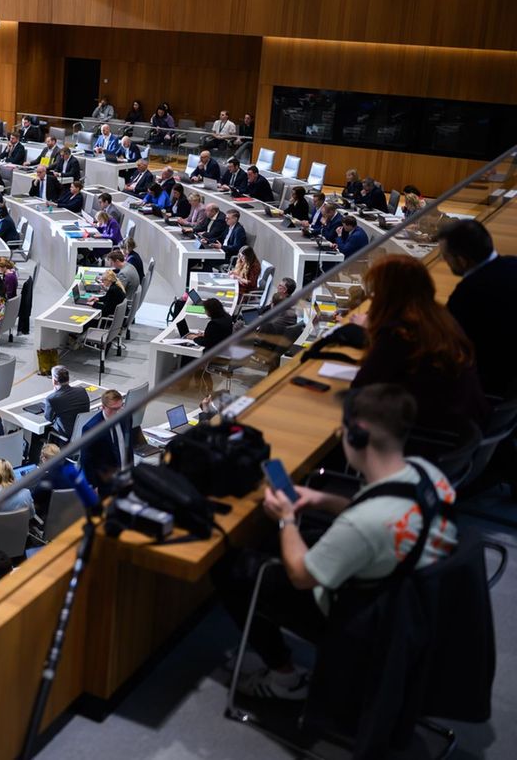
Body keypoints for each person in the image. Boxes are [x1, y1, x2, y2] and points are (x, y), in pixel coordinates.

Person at [215, 383, 458, 701]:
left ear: (356, 436)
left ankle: (284, 679)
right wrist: (322, 500)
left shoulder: (362, 524)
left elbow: (301, 576)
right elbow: (386, 512)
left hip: (363, 616)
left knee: (229, 570)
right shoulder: (426, 474)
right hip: (411, 597)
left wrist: (287, 519)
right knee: (279, 543)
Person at [349, 257, 488, 437]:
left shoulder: (398, 333)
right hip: (463, 430)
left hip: (427, 439)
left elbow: (360, 390)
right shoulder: (440, 317)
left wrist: (374, 331)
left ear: (387, 295)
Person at [437, 220, 517, 396]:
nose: (444, 261)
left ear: (461, 260)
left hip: (489, 388)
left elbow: (446, 346)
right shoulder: (514, 263)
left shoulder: (465, 295)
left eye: (445, 256)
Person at [79, 389, 130, 496]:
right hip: (105, 482)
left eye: (120, 407)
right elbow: (86, 460)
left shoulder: (126, 417)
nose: (118, 412)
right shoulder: (91, 428)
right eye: (114, 409)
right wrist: (92, 485)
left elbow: (128, 446)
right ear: (103, 407)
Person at [42, 365, 89, 442]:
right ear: (68, 379)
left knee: (38, 434)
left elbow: (48, 418)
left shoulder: (51, 399)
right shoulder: (81, 390)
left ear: (54, 381)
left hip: (65, 436)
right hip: (82, 433)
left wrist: (55, 393)